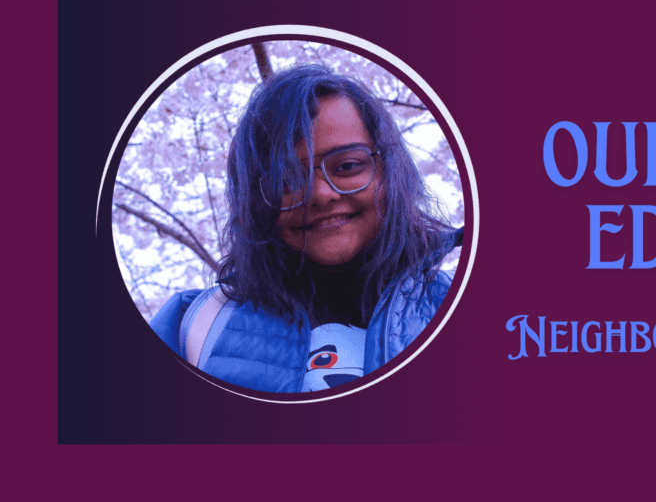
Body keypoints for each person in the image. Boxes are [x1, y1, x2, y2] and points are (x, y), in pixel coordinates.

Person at [149, 64, 461, 393]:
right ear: (254, 200)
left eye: (348, 166)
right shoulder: (194, 326)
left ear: (390, 171)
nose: (320, 194)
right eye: (286, 180)